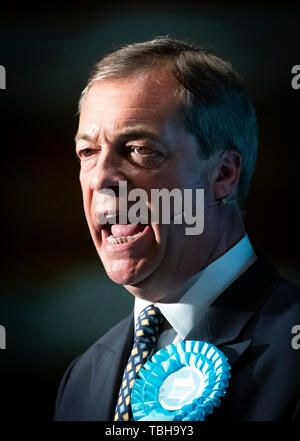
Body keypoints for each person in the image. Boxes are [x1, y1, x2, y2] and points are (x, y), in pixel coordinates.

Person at [54, 36, 300, 421]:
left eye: (139, 149)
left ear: (223, 173)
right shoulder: (84, 376)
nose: (101, 178)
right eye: (88, 152)